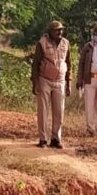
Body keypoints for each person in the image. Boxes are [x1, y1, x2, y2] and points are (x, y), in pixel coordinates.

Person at [31, 20, 72, 148]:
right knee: (43, 111)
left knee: (59, 111)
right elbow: (35, 64)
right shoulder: (42, 43)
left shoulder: (66, 43)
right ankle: (43, 139)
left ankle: (56, 139)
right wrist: (35, 82)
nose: (60, 32)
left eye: (61, 30)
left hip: (60, 81)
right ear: (50, 32)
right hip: (44, 80)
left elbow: (69, 63)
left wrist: (68, 82)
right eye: (56, 30)